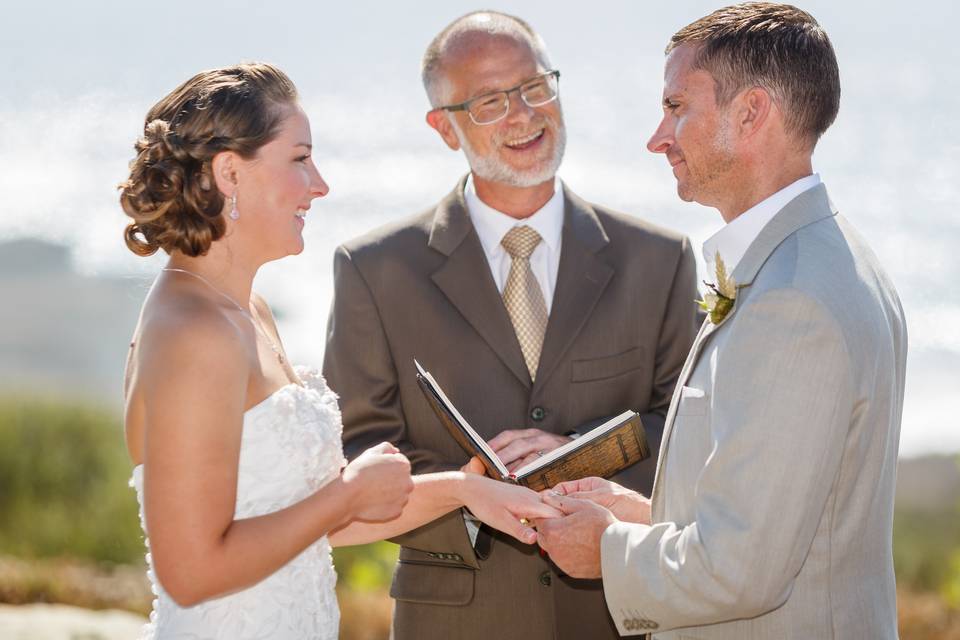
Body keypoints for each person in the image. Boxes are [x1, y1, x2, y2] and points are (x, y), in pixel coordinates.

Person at [119, 62, 558, 640]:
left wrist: (462, 490)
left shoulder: (246, 311)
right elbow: (192, 572)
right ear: (230, 173)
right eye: (300, 159)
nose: (320, 183)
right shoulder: (194, 332)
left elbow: (295, 526)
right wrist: (347, 494)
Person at [322, 11, 699, 640]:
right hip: (454, 620)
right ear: (444, 128)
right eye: (491, 102)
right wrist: (471, 495)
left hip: (617, 615)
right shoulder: (374, 270)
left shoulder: (660, 260)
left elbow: (690, 435)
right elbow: (355, 454)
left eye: (534, 86)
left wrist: (578, 457)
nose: (524, 115)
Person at [535, 4, 907, 638]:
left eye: (677, 107)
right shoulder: (828, 257)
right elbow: (784, 519)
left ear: (751, 112)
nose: (658, 137)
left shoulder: (794, 301)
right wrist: (649, 519)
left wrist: (606, 549)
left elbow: (743, 570)